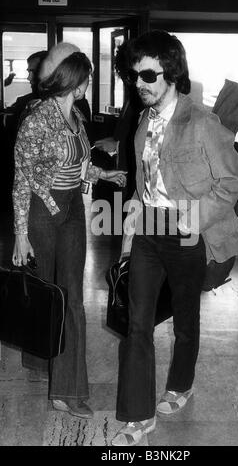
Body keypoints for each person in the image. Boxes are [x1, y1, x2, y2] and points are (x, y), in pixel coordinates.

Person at [111, 30, 238, 446]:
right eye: (133, 75)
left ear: (171, 73)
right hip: (150, 230)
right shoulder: (142, 120)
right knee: (138, 324)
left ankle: (181, 384)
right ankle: (137, 418)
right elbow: (144, 183)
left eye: (148, 75)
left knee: (185, 320)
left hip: (188, 233)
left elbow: (233, 181)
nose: (140, 84)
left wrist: (192, 219)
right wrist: (133, 216)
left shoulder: (202, 124)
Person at [12, 42, 127, 418]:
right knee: (46, 290)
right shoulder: (37, 118)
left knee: (72, 297)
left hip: (74, 209)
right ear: (76, 82)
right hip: (43, 212)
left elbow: (78, 166)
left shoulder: (76, 114)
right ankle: (38, 357)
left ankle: (67, 389)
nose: (88, 85)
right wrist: (20, 233)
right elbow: (22, 180)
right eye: (87, 79)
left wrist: (104, 172)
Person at [93, 40, 143, 201]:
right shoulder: (132, 95)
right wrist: (114, 140)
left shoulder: (143, 99)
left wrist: (116, 146)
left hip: (135, 179)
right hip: (122, 174)